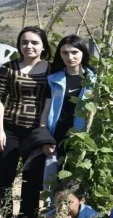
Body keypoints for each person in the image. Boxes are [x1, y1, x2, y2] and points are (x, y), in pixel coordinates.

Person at [0, 26, 51, 218]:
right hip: (10, 130)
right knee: (4, 178)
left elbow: (49, 100)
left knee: (31, 180)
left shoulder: (51, 70)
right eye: (24, 42)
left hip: (36, 133)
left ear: (43, 46)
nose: (29, 46)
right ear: (19, 45)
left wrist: (44, 131)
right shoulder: (8, 68)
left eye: (34, 42)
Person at [40, 35, 94, 186]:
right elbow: (45, 110)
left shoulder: (94, 80)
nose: (70, 57)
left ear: (83, 53)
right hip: (57, 137)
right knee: (54, 180)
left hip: (84, 138)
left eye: (74, 52)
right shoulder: (53, 79)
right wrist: (44, 137)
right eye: (65, 53)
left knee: (79, 182)